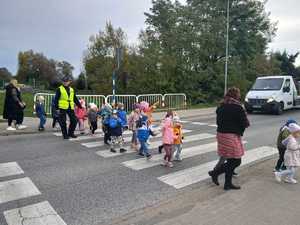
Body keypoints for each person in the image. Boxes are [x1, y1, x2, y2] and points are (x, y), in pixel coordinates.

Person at [208, 87, 250, 191]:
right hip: (231, 136)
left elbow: (218, 122)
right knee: (236, 161)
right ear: (236, 95)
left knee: (231, 160)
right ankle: (215, 173)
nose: (240, 96)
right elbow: (245, 123)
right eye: (239, 94)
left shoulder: (221, 106)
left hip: (221, 134)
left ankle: (227, 184)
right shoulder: (238, 107)